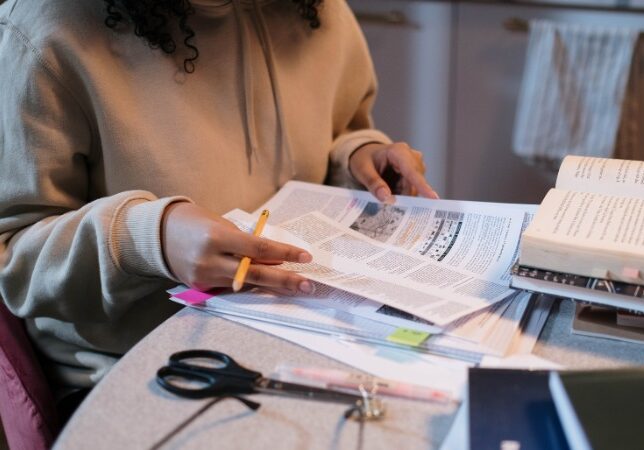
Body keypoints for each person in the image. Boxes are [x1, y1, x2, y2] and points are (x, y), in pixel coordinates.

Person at [0, 0, 437, 404]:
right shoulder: (43, 32)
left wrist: (358, 158)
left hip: (305, 331)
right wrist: (148, 239)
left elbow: (337, 133)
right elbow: (14, 258)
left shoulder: (319, 11)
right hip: (140, 369)